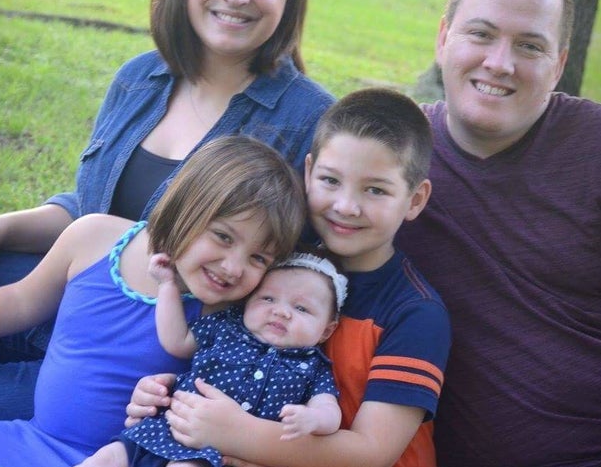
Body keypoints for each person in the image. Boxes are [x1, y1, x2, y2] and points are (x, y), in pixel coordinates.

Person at [0, 0, 333, 420]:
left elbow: (294, 279)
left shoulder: (308, 122)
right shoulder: (141, 78)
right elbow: (94, 209)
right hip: (57, 295)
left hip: (126, 366)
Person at [0, 136, 307, 467]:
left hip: (115, 459)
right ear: (185, 208)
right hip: (31, 437)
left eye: (259, 258)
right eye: (222, 236)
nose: (234, 267)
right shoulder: (96, 238)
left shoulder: (230, 318)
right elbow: (19, 302)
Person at [126, 88, 452, 467]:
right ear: (309, 171)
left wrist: (237, 433)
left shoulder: (415, 313)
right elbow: (222, 352)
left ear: (414, 200)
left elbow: (372, 452)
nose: (346, 206)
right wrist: (169, 396)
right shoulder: (271, 262)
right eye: (331, 180)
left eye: (376, 190)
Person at [393, 0, 601, 467]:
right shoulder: (389, 158)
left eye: (529, 45)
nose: (500, 63)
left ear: (560, 64)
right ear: (443, 38)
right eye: (480, 34)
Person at [79, 250, 348, 467]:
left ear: (326, 329)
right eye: (267, 299)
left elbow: (328, 408)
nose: (281, 312)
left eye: (301, 308)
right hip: (162, 428)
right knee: (107, 458)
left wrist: (314, 419)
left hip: (213, 454)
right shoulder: (226, 327)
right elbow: (176, 340)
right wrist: (167, 285)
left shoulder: (313, 366)